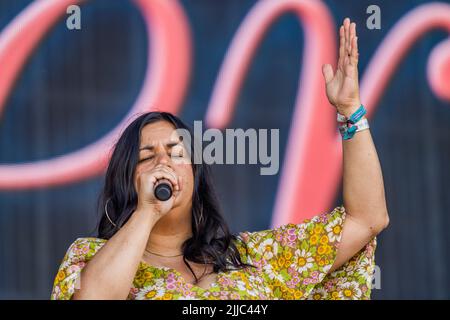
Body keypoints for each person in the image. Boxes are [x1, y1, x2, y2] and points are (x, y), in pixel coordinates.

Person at [51, 17, 389, 300]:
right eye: (147, 156)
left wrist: (350, 112)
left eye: (176, 152)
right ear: (128, 178)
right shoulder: (90, 257)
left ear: (195, 175)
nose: (163, 163)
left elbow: (367, 219)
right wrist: (148, 211)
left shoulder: (257, 259)